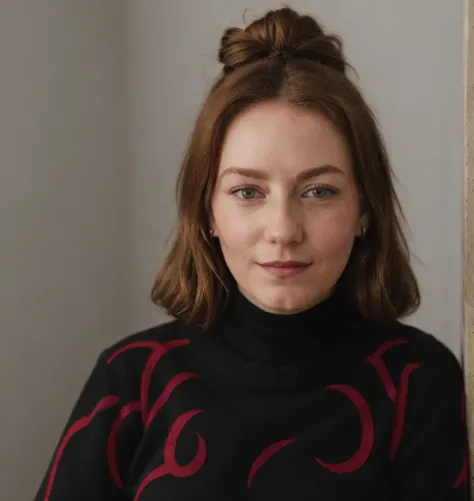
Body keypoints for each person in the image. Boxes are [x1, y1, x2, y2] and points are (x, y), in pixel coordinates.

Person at [34, 7, 469, 501]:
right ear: (208, 212)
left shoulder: (418, 382)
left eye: (319, 191)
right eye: (247, 192)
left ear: (365, 210)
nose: (282, 230)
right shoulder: (132, 377)